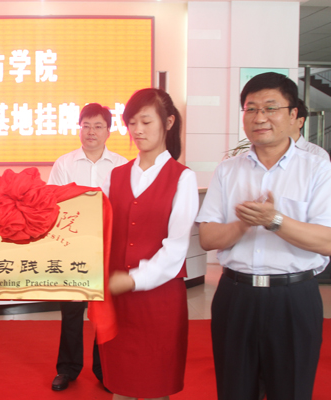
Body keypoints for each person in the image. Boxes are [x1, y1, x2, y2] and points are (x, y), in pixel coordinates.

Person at [196, 72, 331, 400]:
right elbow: (208, 238)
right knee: (234, 390)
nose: (259, 118)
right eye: (251, 109)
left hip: (293, 298)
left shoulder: (316, 167)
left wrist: (274, 220)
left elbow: (326, 240)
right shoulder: (228, 170)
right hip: (236, 295)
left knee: (291, 390)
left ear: (294, 115)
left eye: (271, 108)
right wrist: (243, 224)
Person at [99, 88, 198, 400]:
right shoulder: (115, 175)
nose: (137, 130)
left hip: (159, 302)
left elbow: (176, 248)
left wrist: (132, 280)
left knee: (155, 387)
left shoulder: (182, 177)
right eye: (132, 123)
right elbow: (102, 232)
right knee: (120, 387)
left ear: (168, 122)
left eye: (146, 121)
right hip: (118, 300)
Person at [47, 103, 128, 391]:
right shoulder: (64, 163)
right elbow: (52, 203)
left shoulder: (121, 165)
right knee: (71, 311)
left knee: (104, 311)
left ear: (108, 131)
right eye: (86, 126)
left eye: (98, 126)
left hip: (107, 248)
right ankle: (67, 369)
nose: (91, 132)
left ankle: (104, 369)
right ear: (79, 128)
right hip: (72, 248)